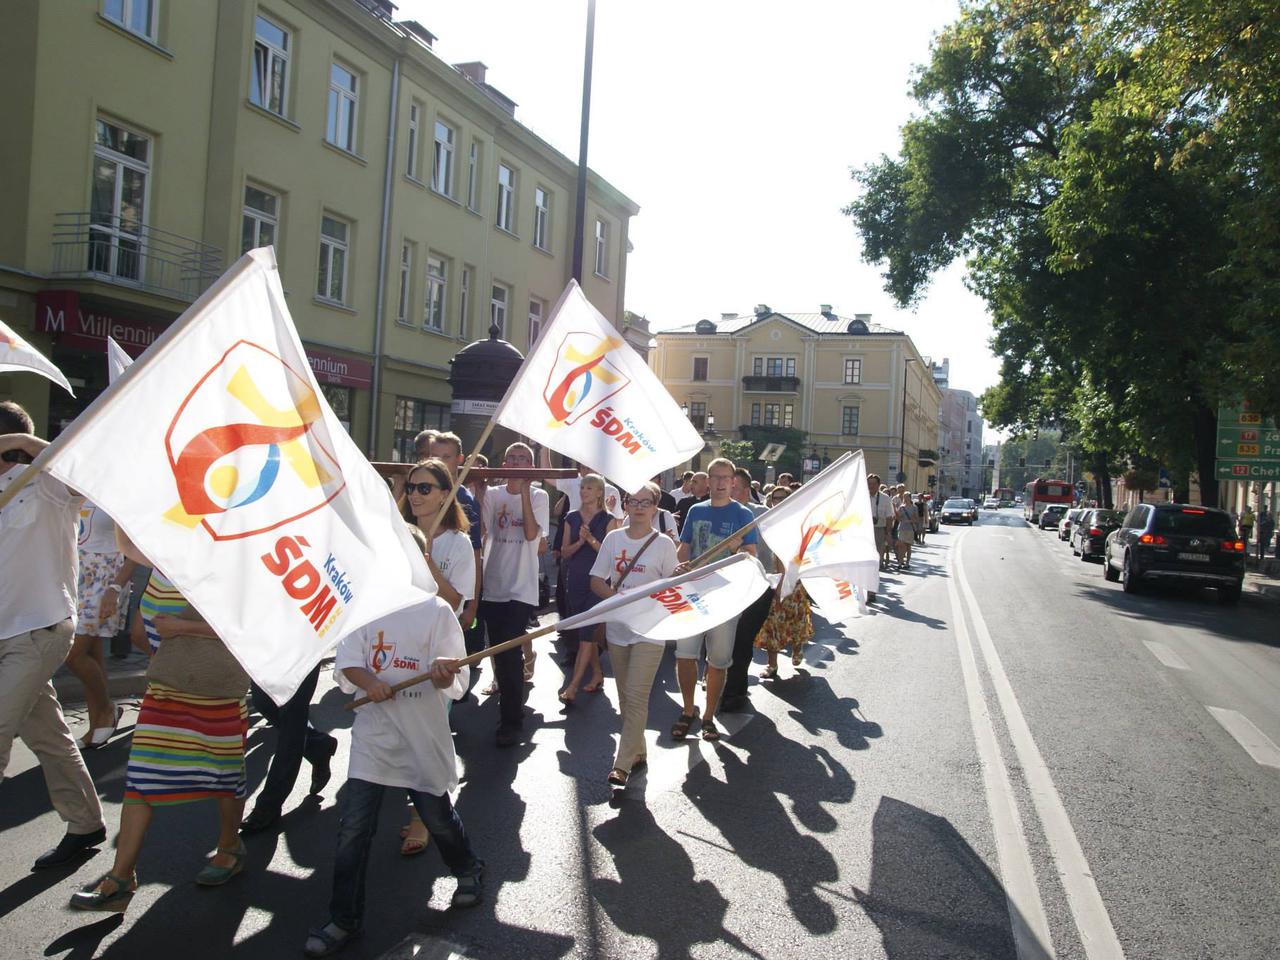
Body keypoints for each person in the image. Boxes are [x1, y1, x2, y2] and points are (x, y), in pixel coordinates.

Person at [71, 531, 250, 911]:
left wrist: (183, 632)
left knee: (224, 776)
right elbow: (140, 627)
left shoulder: (235, 561)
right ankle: (121, 877)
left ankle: (230, 846)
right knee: (141, 779)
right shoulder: (164, 559)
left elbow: (250, 630)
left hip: (216, 693)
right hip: (166, 690)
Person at [303, 594, 482, 957]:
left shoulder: (436, 611)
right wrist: (369, 683)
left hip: (421, 738)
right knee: (353, 828)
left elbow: (458, 677)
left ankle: (467, 867)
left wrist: (443, 671)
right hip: (374, 739)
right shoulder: (367, 607)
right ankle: (344, 919)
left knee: (437, 818)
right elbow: (350, 661)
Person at [1, 403, 108, 871]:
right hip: (3, 636)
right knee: (48, 735)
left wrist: (26, 445)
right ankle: (86, 823)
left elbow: (89, 479)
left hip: (40, 628)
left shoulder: (47, 486)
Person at [590, 482, 679, 787]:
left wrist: (676, 579)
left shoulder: (665, 545)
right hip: (618, 628)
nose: (639, 507)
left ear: (656, 508)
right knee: (626, 697)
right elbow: (596, 580)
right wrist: (616, 599)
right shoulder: (613, 539)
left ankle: (622, 763)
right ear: (625, 505)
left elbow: (671, 588)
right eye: (634, 501)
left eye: (646, 502)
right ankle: (638, 751)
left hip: (650, 630)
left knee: (638, 695)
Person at [672, 458, 757, 742]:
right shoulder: (696, 510)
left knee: (718, 660)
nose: (720, 483)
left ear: (733, 481)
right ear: (708, 481)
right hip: (694, 593)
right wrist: (681, 563)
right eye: (715, 477)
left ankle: (709, 716)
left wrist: (737, 548)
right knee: (684, 654)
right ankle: (687, 709)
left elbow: (752, 557)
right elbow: (685, 548)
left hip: (725, 596)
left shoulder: (743, 514)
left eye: (725, 478)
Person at [479, 442, 548, 747]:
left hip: (522, 587)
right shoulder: (493, 495)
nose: (518, 462)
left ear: (531, 467)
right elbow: (482, 530)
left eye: (524, 459)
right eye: (513, 458)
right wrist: (480, 492)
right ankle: (508, 703)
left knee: (509, 652)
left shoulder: (539, 495)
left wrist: (523, 492)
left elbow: (533, 535)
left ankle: (511, 721)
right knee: (497, 651)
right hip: (493, 584)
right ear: (505, 464)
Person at [67, 501, 136, 749]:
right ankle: (95, 723)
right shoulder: (74, 483)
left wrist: (115, 588)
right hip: (75, 570)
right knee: (91, 654)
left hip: (106, 577)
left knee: (73, 654)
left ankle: (107, 707)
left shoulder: (114, 491)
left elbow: (135, 548)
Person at [554, 474, 619, 705]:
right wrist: (581, 542)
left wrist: (590, 539)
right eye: (582, 487)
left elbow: (611, 554)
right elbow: (565, 551)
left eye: (589, 488)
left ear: (600, 492)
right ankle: (598, 673)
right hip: (575, 579)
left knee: (585, 634)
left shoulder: (609, 520)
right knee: (585, 631)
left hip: (598, 581)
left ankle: (573, 686)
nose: (584, 491)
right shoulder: (571, 518)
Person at [722, 467, 773, 714]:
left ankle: (734, 691)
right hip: (725, 587)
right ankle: (724, 684)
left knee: (741, 642)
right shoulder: (717, 512)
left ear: (744, 490)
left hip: (756, 587)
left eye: (733, 486)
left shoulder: (762, 514)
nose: (727, 490)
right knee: (721, 641)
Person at [754, 487, 814, 678]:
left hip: (793, 582)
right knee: (772, 623)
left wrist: (783, 585)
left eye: (782, 498)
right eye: (774, 498)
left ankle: (797, 649)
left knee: (796, 619)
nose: (777, 501)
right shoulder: (768, 521)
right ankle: (772, 665)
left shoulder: (798, 525)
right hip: (771, 580)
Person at [867, 473, 894, 602]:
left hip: (879, 531)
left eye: (873, 484)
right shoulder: (861, 497)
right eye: (869, 483)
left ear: (878, 485)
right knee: (863, 562)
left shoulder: (885, 499)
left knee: (874, 561)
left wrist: (888, 534)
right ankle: (863, 590)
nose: (871, 486)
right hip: (864, 531)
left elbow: (889, 517)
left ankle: (871, 591)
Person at [894, 490, 918, 570]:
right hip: (902, 528)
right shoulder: (901, 507)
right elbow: (898, 518)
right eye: (904, 497)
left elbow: (916, 519)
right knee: (901, 546)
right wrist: (897, 513)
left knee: (908, 546)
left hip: (910, 529)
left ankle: (907, 563)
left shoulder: (914, 507)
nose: (906, 498)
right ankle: (900, 563)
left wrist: (910, 521)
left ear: (910, 498)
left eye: (907, 497)